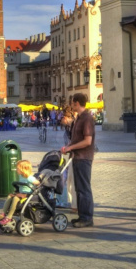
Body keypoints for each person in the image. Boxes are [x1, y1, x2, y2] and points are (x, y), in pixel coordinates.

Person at [60, 93, 96, 227]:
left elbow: (87, 141)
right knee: (79, 188)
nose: (71, 105)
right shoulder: (79, 118)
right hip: (76, 157)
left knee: (84, 188)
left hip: (83, 157)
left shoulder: (86, 118)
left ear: (76, 103)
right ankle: (82, 216)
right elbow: (76, 139)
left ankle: (87, 218)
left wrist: (71, 148)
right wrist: (68, 147)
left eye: (72, 103)